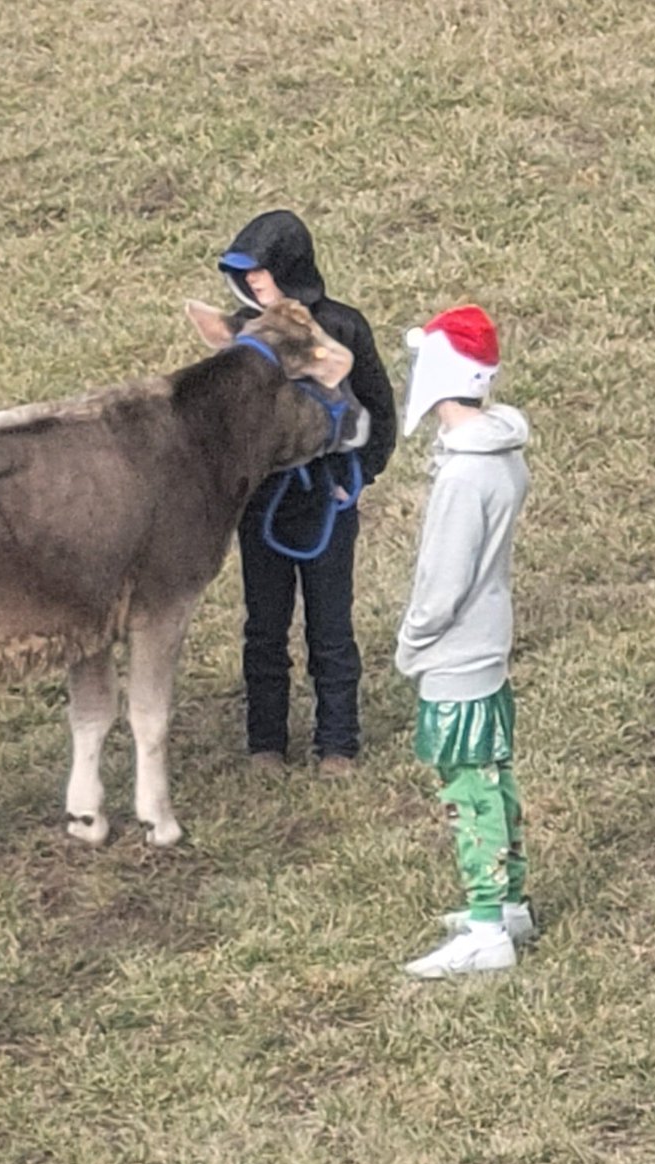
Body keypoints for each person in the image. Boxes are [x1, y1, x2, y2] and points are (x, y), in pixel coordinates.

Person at [217, 210, 396, 774]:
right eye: (245, 275)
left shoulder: (342, 327)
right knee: (263, 626)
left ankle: (338, 744)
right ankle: (265, 743)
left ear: (290, 269)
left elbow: (378, 409)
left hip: (325, 495)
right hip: (263, 501)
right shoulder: (238, 332)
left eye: (262, 272)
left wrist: (357, 476)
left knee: (331, 625)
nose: (254, 285)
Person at [395, 304, 535, 979]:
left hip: (456, 656)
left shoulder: (461, 475)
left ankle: (486, 926)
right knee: (495, 779)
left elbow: (442, 583)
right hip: (489, 646)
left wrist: (412, 641)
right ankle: (508, 903)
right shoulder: (501, 457)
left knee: (467, 791)